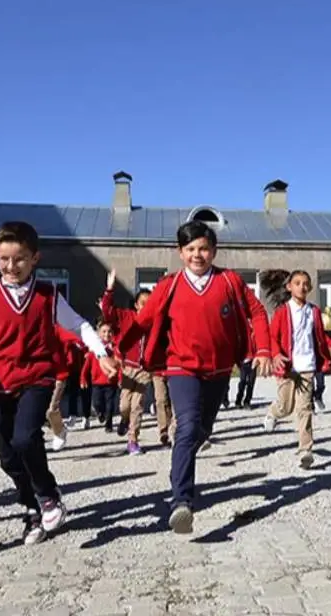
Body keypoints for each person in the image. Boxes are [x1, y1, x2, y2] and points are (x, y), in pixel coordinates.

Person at [0, 221, 118, 545]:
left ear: (35, 259)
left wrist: (100, 353)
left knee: (24, 438)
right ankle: (33, 510)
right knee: (7, 458)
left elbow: (80, 325)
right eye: (4, 259)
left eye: (20, 259)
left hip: (37, 375)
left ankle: (46, 494)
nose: (11, 266)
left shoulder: (48, 295)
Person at [118, 220, 273, 534]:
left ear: (214, 250)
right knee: (188, 428)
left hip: (218, 371)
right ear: (180, 252)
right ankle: (181, 502)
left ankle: (182, 452)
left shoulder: (229, 281)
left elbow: (256, 311)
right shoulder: (169, 286)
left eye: (204, 248)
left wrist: (265, 349)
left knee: (201, 430)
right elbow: (141, 322)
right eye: (190, 249)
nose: (197, 255)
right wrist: (116, 349)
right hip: (181, 368)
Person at [262, 270, 331, 469]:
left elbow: (320, 338)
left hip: (307, 366)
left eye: (305, 283)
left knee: (304, 409)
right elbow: (272, 337)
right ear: (289, 287)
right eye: (297, 283)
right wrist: (276, 355)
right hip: (287, 367)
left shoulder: (314, 311)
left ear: (310, 288)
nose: (302, 287)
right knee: (286, 406)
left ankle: (305, 450)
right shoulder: (282, 312)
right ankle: (272, 413)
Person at [99, 272, 157, 453]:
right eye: (142, 304)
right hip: (127, 368)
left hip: (144, 370)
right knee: (125, 405)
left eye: (150, 305)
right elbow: (107, 312)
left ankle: (133, 440)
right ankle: (124, 419)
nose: (146, 308)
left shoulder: (155, 323)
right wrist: (109, 289)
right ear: (136, 305)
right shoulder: (126, 317)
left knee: (137, 406)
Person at [85, 322, 122, 432]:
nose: (107, 334)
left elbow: (120, 365)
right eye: (104, 331)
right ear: (98, 333)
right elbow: (87, 365)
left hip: (111, 382)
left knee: (110, 404)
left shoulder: (115, 349)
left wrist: (120, 378)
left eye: (109, 331)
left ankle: (109, 424)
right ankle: (100, 413)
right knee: (97, 402)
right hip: (97, 382)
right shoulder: (95, 349)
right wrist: (83, 377)